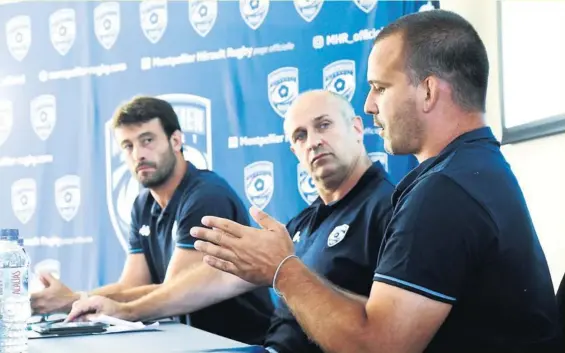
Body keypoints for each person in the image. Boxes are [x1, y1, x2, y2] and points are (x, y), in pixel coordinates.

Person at [189, 10, 565, 353]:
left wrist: (282, 270)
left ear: (429, 91)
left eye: (380, 88)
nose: (369, 105)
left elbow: (378, 347)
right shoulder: (471, 169)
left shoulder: (446, 191)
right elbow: (384, 318)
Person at [66, 90, 395, 353]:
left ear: (356, 128)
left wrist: (286, 273)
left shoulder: (389, 209)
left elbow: (389, 332)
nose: (312, 141)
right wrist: (124, 311)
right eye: (299, 135)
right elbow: (213, 281)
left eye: (324, 125)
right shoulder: (308, 219)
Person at [31, 96, 274, 345]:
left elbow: (171, 292)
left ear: (176, 140)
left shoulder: (206, 196)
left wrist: (74, 299)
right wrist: (76, 299)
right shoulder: (142, 204)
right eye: (128, 145)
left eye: (147, 140)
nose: (138, 154)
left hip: (238, 343)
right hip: (185, 342)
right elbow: (131, 285)